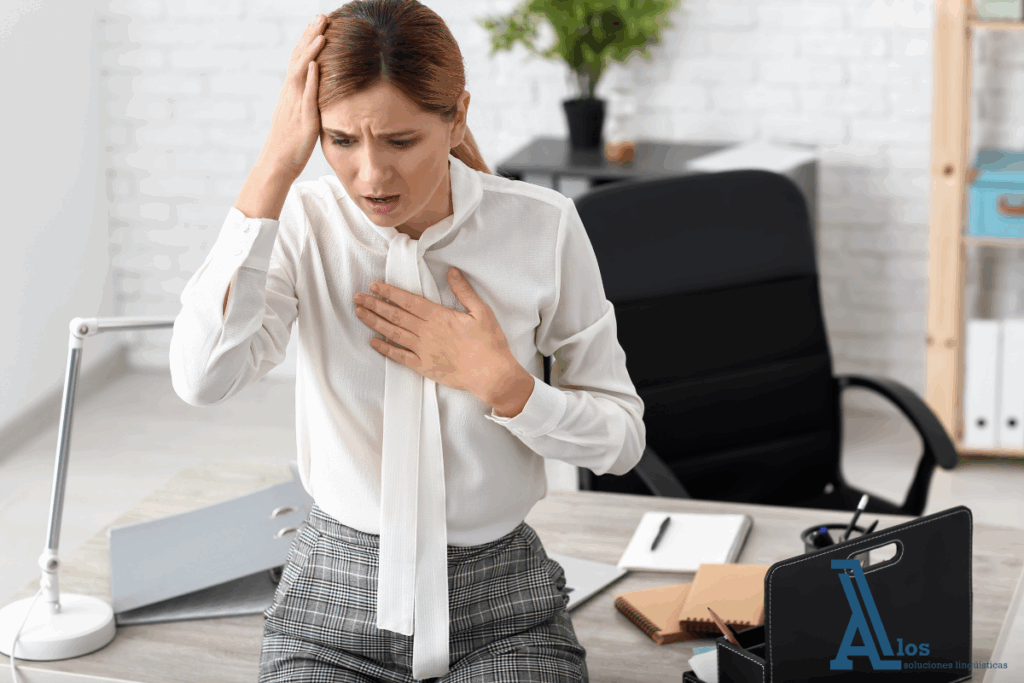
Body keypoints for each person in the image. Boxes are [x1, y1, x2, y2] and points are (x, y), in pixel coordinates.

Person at [168, 1, 646, 681]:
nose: (371, 176)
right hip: (330, 599)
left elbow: (621, 439)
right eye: (339, 141)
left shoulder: (543, 227)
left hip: (504, 604)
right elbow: (201, 377)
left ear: (456, 118)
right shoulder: (303, 222)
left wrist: (507, 387)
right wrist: (274, 167)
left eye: (399, 141)